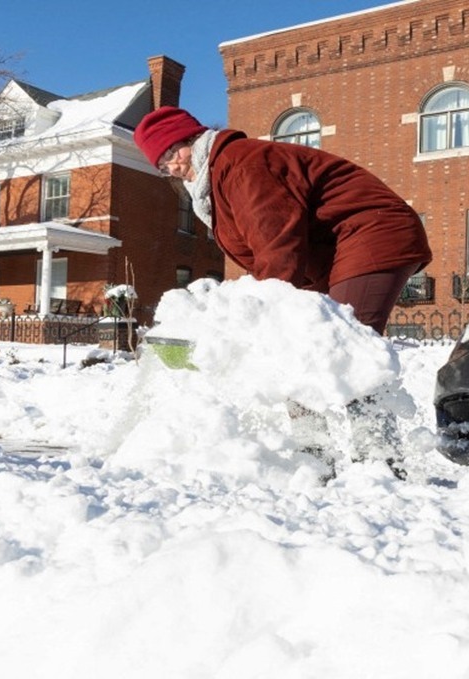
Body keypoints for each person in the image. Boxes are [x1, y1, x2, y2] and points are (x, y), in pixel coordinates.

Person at [133, 106, 432, 478]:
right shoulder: (216, 182)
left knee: (351, 348)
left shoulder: (240, 163)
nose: (174, 168)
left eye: (172, 154)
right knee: (296, 348)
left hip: (370, 233)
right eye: (163, 166)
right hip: (331, 253)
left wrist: (264, 309)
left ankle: (381, 463)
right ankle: (314, 458)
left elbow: (277, 243)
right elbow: (270, 255)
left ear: (192, 139)